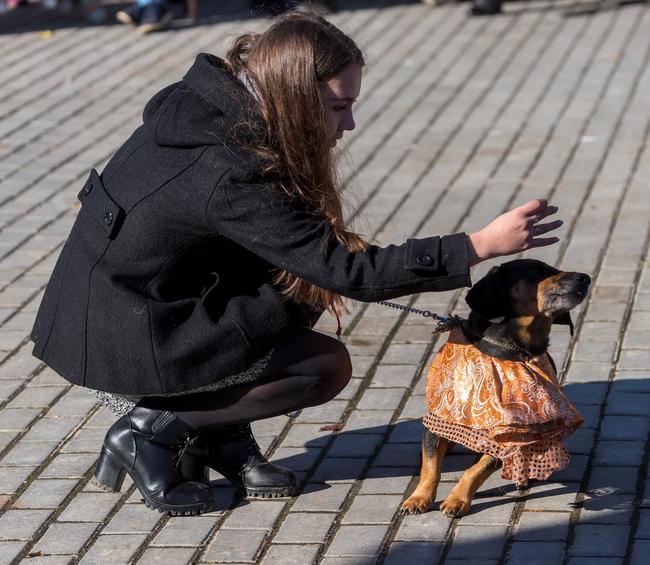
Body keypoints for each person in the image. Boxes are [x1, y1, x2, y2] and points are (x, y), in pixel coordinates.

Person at [30, 10, 564, 515]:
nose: (349, 122)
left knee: (294, 288)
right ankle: (151, 428)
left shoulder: (209, 109)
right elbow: (348, 272)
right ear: (291, 97)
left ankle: (218, 435)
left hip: (137, 305)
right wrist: (477, 245)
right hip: (122, 332)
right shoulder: (228, 167)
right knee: (320, 365)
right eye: (337, 107)